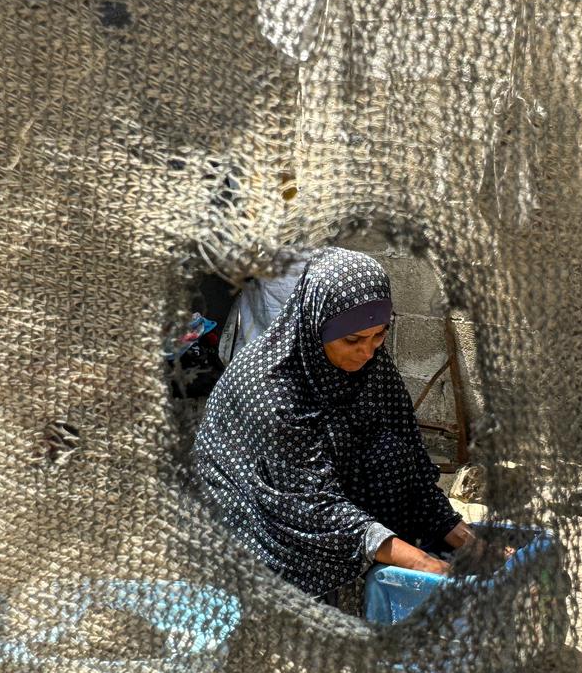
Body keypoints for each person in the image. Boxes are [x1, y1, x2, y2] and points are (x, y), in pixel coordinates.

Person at [193, 247, 474, 597]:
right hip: (262, 510)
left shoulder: (372, 366)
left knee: (392, 455)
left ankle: (376, 561)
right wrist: (423, 564)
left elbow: (413, 465)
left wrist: (466, 540)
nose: (367, 352)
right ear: (315, 324)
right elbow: (309, 503)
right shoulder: (271, 388)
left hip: (323, 485)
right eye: (352, 340)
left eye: (379, 335)